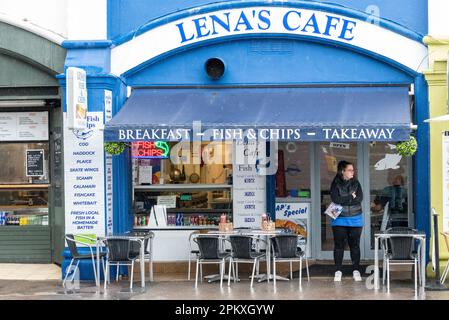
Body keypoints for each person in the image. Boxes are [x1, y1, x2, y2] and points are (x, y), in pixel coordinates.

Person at [330, 160, 364, 282]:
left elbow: (359, 198)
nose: (352, 172)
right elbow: (335, 199)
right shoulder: (335, 183)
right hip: (339, 219)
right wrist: (350, 197)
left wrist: (344, 199)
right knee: (339, 246)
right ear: (342, 171)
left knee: (354, 245)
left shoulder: (356, 183)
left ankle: (356, 270)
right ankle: (338, 271)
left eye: (353, 170)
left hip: (356, 218)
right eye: (350, 170)